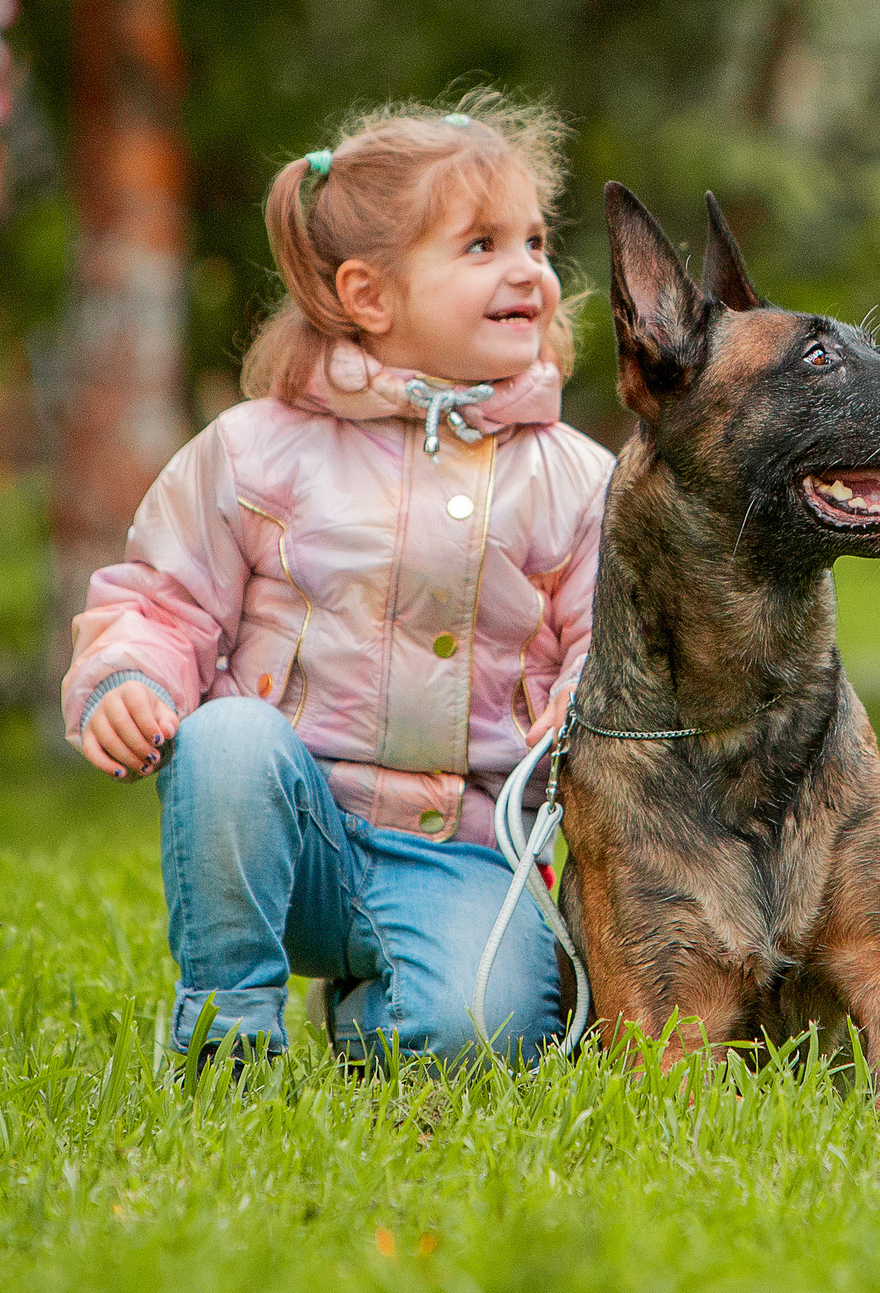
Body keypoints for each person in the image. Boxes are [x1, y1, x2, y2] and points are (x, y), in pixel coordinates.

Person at [61, 93, 611, 1071]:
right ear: (369, 296)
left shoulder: (575, 479)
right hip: (291, 844)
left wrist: (584, 705)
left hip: (466, 855)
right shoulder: (255, 452)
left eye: (535, 241)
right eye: (481, 245)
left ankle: (377, 1011)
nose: (528, 268)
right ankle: (230, 1027)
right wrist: (127, 677)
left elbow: (613, 639)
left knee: (484, 1040)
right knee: (227, 737)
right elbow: (161, 601)